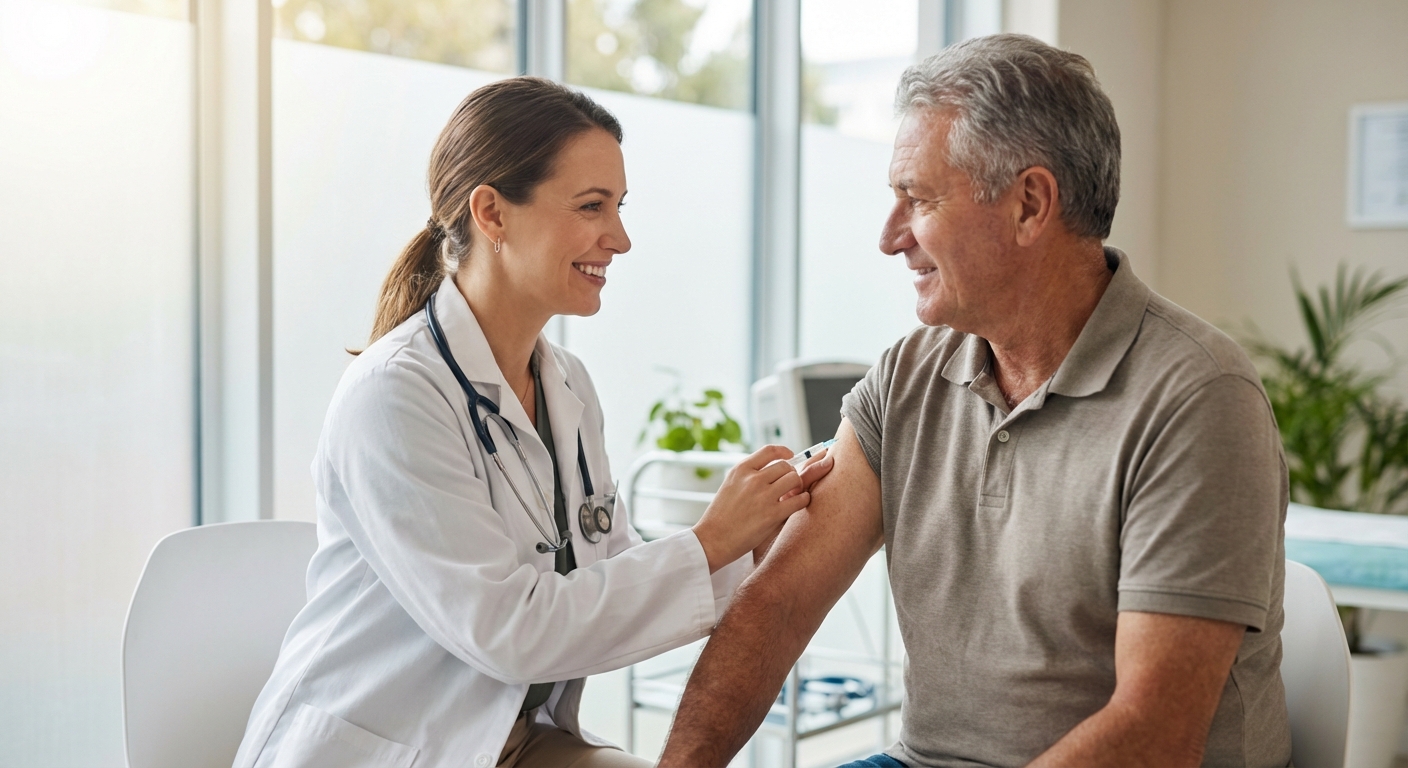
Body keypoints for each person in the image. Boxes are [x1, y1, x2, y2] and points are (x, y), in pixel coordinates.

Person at [659, 34, 1291, 768]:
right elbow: (778, 605)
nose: (889, 238)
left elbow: (1154, 731)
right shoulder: (906, 377)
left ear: (1030, 204)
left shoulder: (1199, 399)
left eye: (918, 199)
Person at [233, 77, 831, 768]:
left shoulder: (567, 386)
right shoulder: (394, 395)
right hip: (385, 749)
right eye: (591, 206)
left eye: (619, 206)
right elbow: (510, 631)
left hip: (504, 743)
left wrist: (751, 543)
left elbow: (608, 574)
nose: (621, 238)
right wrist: (710, 542)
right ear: (491, 212)